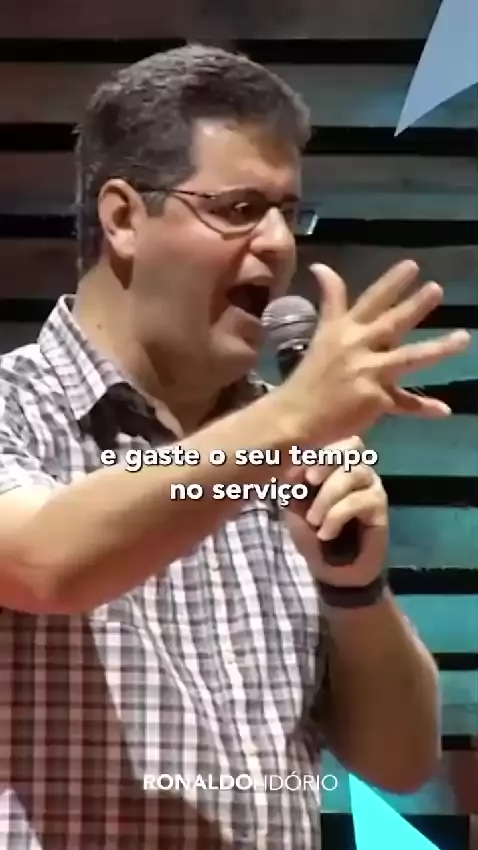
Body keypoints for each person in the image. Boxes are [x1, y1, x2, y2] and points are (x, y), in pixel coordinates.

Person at [0, 44, 469, 849]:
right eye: (241, 208)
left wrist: (355, 588)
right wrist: (291, 418)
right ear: (123, 219)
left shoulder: (283, 446)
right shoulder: (16, 407)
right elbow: (43, 563)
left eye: (290, 213)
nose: (279, 244)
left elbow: (400, 761)